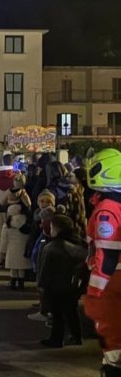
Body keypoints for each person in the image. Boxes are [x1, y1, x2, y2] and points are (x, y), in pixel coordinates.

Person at [83, 148, 121, 376]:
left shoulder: (106, 209)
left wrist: (95, 293)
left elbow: (105, 255)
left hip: (110, 284)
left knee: (111, 337)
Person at [38, 214, 86, 348]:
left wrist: (42, 286)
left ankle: (56, 339)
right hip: (74, 284)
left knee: (57, 313)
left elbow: (46, 270)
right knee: (71, 311)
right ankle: (76, 336)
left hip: (56, 286)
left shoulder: (53, 247)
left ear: (57, 229)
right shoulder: (80, 243)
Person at [0, 204, 31, 289]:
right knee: (21, 267)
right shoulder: (26, 221)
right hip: (23, 247)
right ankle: (21, 284)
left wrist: (2, 250)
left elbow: (4, 238)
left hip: (11, 248)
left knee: (13, 267)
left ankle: (12, 282)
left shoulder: (8, 223)